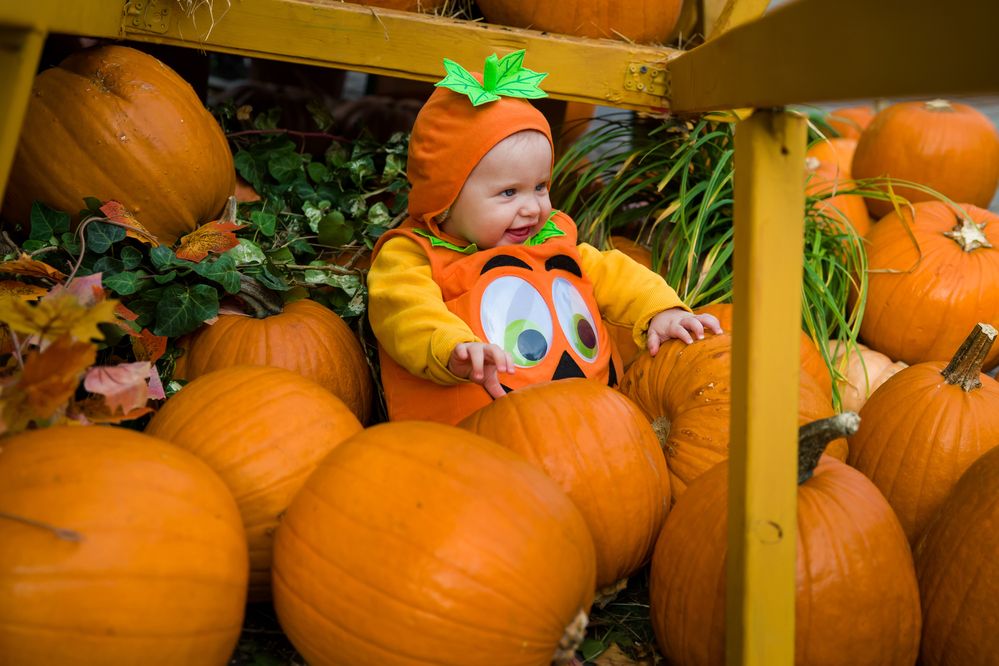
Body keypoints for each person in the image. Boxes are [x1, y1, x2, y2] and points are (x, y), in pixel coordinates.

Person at [367, 51, 721, 424]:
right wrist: (452, 346)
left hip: (595, 427)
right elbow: (403, 308)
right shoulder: (415, 256)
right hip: (473, 446)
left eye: (540, 186)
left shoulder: (550, 242)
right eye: (508, 193)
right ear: (446, 200)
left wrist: (659, 310)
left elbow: (615, 273)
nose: (532, 208)